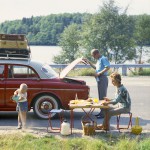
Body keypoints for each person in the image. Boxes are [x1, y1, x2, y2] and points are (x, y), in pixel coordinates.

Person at [83, 49, 110, 118]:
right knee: (101, 96)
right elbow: (96, 68)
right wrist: (89, 62)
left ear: (97, 54)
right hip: (99, 79)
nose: (93, 57)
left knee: (103, 96)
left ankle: (103, 113)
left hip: (103, 78)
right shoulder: (99, 60)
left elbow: (108, 67)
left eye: (93, 56)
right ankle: (102, 112)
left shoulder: (103, 59)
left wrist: (99, 73)